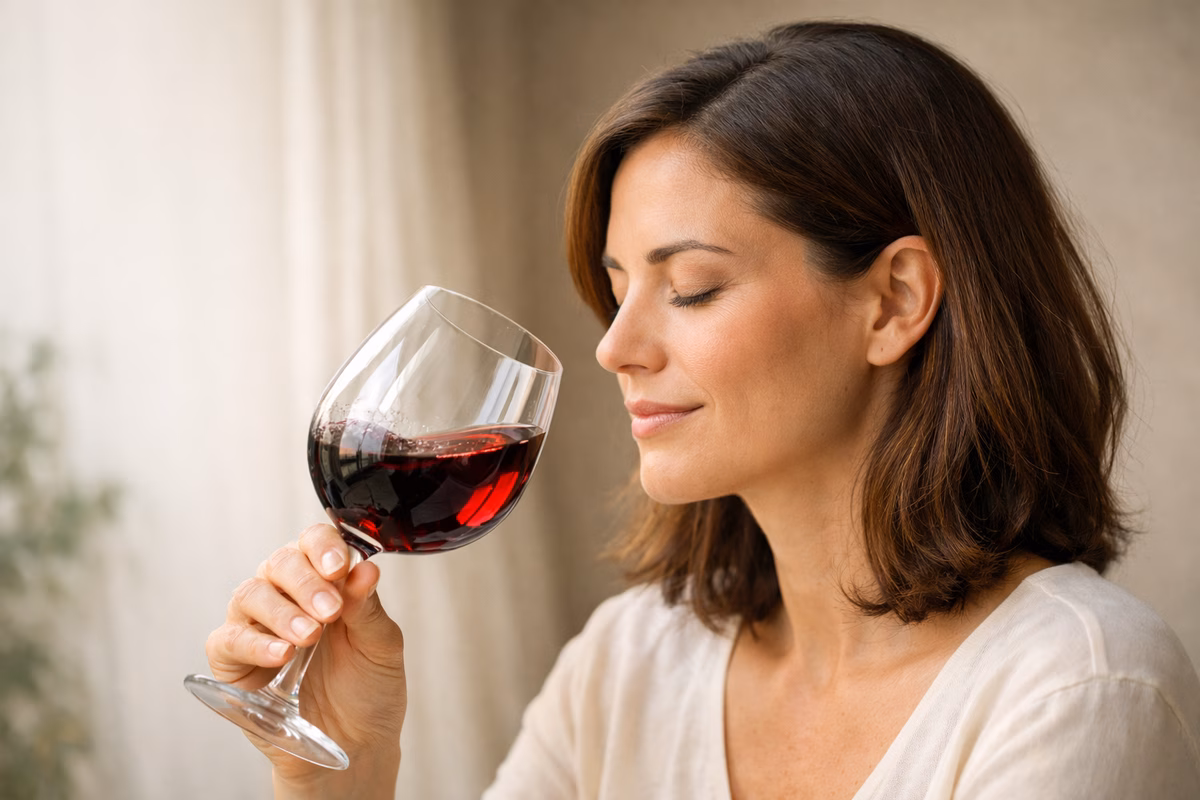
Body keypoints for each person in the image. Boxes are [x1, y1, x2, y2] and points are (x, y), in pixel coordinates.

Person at [204, 21, 1200, 799]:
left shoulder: (1081, 682)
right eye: (617, 284)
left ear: (895, 300)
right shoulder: (629, 659)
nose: (613, 346)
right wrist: (342, 767)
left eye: (690, 287)